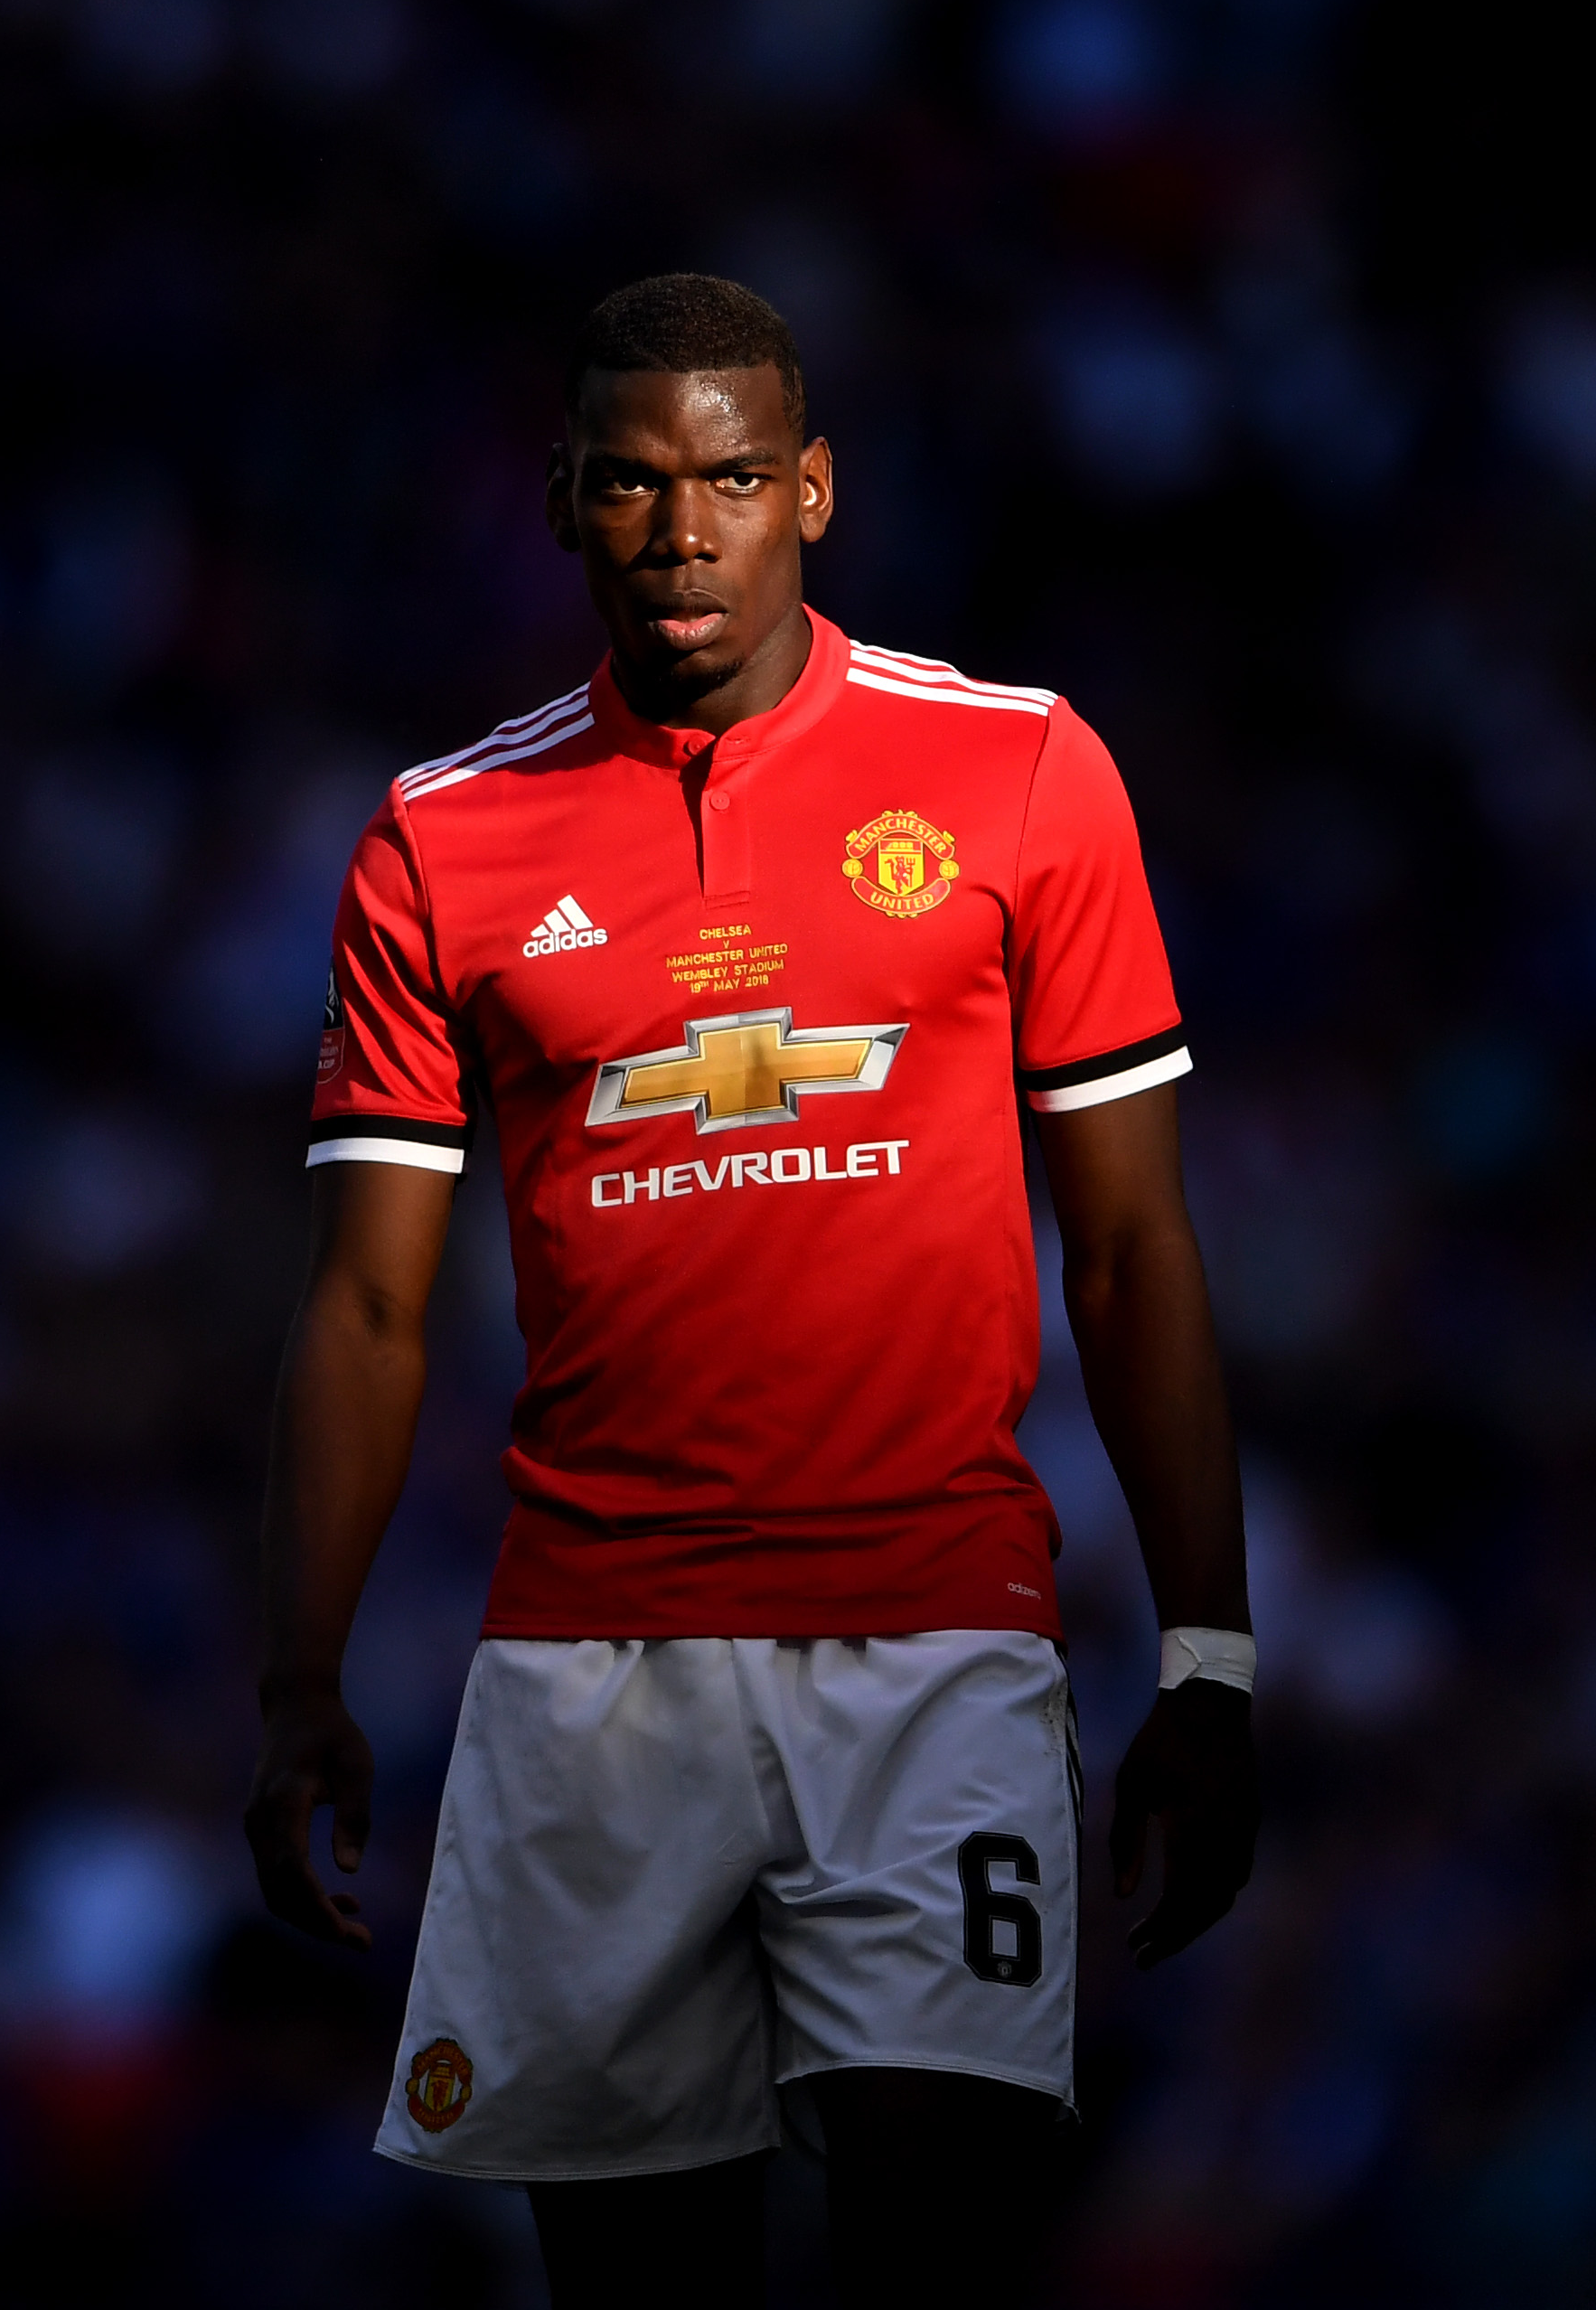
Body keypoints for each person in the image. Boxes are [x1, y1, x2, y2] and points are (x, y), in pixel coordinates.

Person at [243, 274, 1257, 2306]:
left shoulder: (1024, 774)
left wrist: (1212, 1656)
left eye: (726, 478)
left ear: (812, 488)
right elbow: (367, 1310)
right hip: (591, 1676)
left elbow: (1136, 1245)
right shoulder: (442, 844)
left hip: (939, 1640)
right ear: (562, 500)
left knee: (937, 2238)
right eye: (630, 480)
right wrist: (299, 1679)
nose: (680, 528)